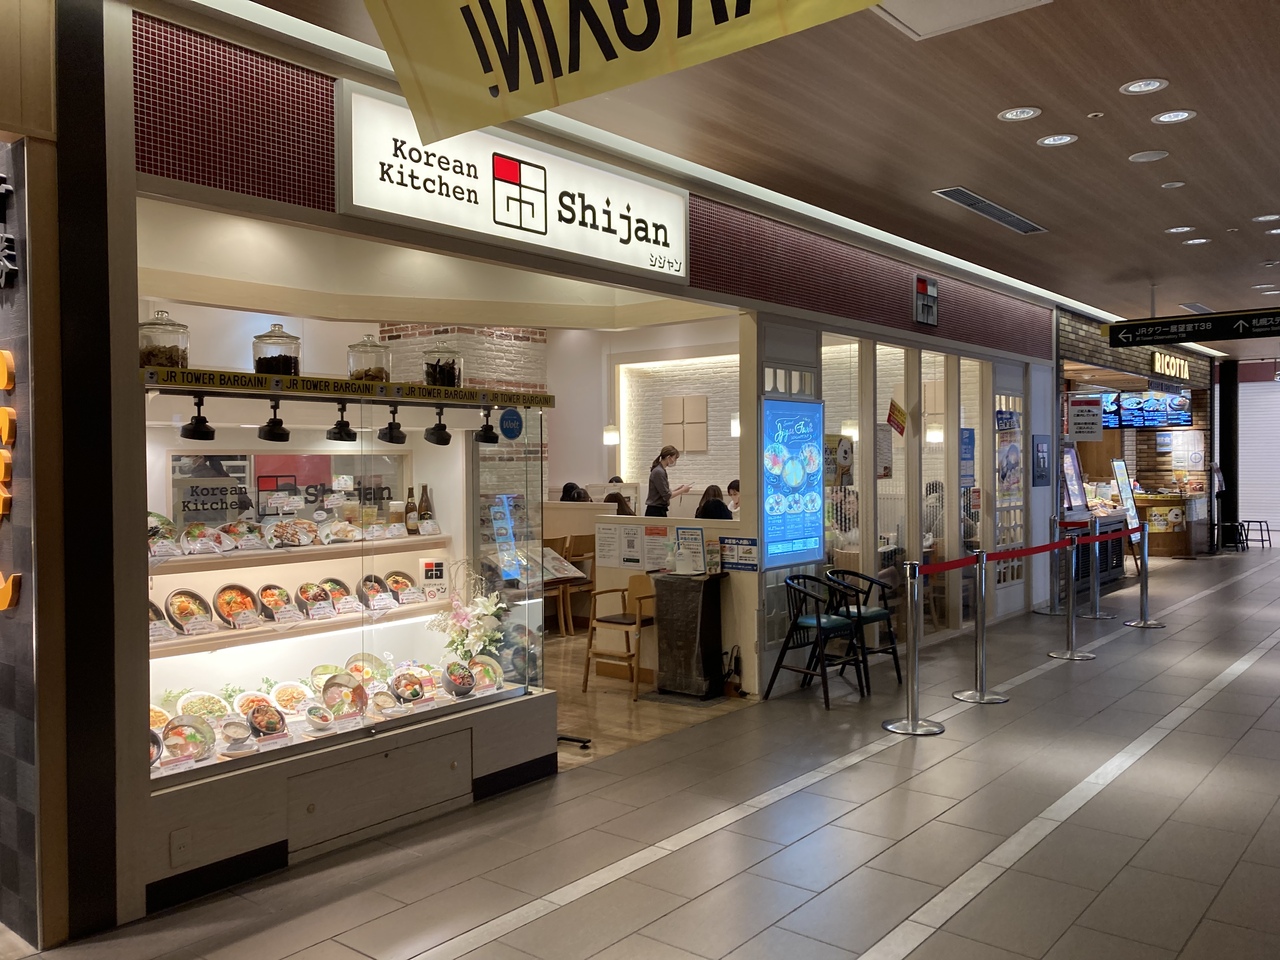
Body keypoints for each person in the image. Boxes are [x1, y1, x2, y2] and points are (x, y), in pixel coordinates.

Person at [645, 445, 691, 517]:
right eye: (674, 458)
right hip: (656, 511)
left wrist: (678, 489)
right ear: (669, 457)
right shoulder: (659, 472)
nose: (674, 461)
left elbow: (664, 493)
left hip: (658, 510)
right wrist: (682, 490)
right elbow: (667, 495)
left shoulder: (660, 470)